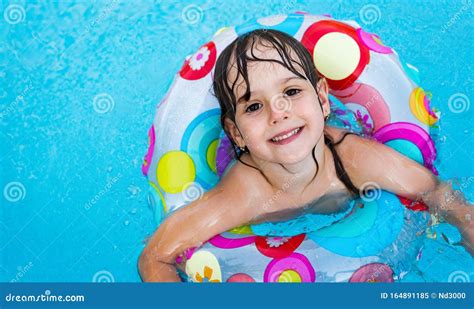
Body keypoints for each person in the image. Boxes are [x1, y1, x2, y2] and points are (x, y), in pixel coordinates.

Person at [138, 29, 473, 282]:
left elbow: (439, 194)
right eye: (254, 105)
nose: (278, 113)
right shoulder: (243, 194)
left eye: (292, 92)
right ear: (236, 134)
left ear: (323, 99)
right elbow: (154, 256)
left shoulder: (352, 159)